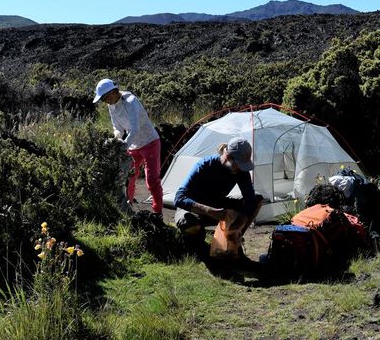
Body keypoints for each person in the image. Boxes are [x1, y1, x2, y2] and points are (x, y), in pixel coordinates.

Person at [174, 137, 264, 254]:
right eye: (239, 164)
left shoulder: (241, 171)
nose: (241, 168)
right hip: (195, 208)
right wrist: (209, 211)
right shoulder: (205, 165)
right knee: (191, 225)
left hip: (218, 205)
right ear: (227, 156)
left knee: (257, 200)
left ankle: (234, 239)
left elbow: (250, 199)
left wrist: (238, 224)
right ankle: (198, 247)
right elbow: (179, 198)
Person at [93, 78, 163, 218]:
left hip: (149, 142)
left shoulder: (131, 102)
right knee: (129, 177)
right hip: (132, 145)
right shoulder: (111, 105)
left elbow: (135, 128)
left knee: (152, 180)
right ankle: (128, 209)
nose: (104, 101)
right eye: (102, 99)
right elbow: (116, 127)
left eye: (105, 97)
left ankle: (158, 212)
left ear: (113, 92)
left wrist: (124, 145)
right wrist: (117, 139)